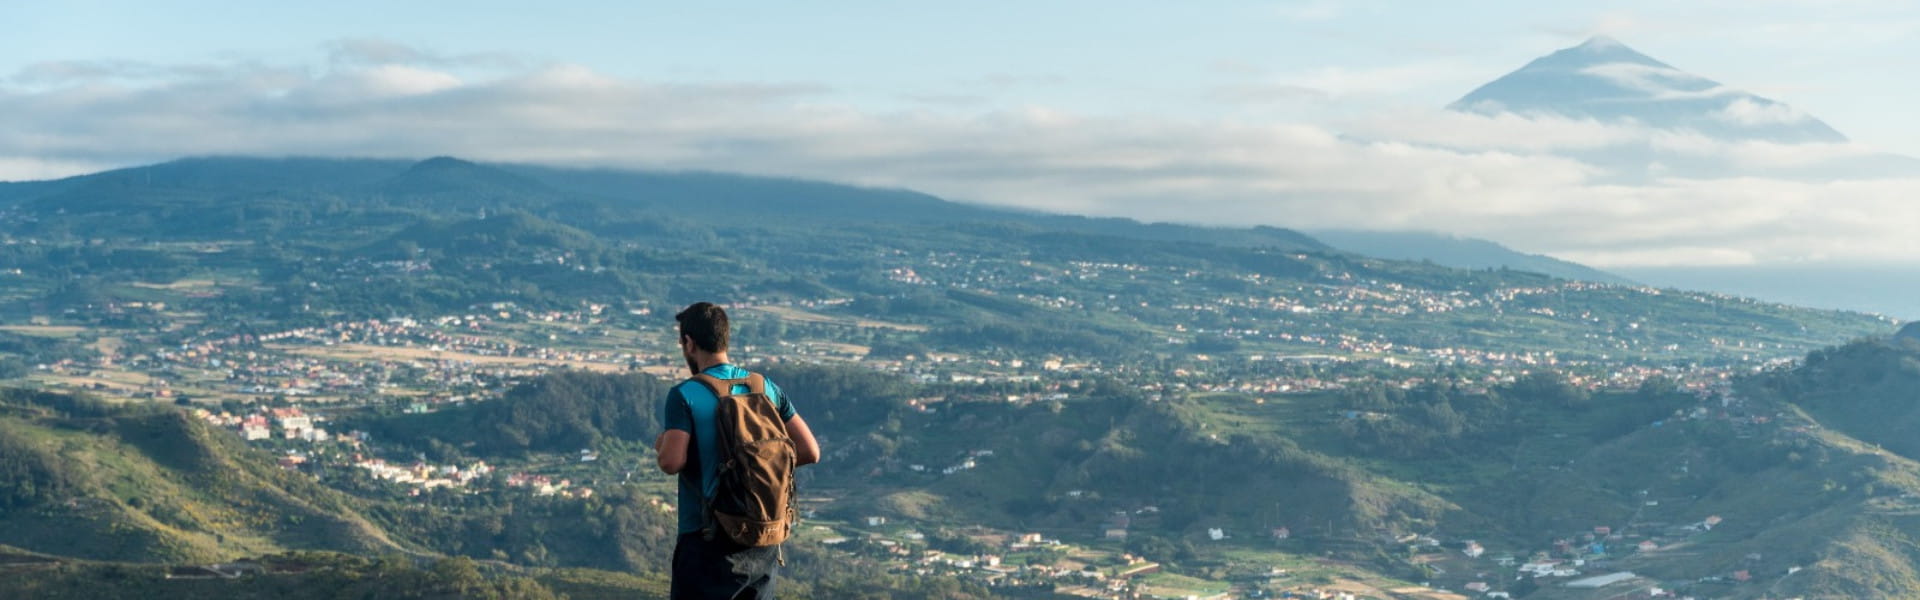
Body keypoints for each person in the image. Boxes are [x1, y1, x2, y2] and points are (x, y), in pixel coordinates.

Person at [656, 302, 822, 600]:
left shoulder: (685, 394)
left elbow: (671, 462)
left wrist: (662, 445)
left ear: (689, 343)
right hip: (763, 535)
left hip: (706, 537)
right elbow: (809, 451)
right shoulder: (765, 387)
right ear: (724, 338)